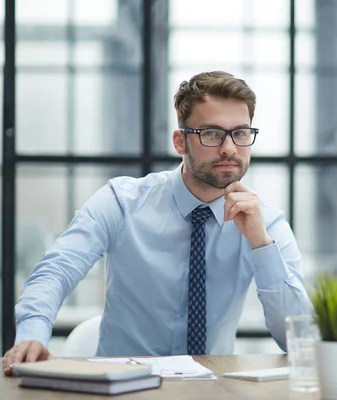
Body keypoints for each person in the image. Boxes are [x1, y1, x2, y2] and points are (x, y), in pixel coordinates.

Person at [3, 71, 313, 375]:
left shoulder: (266, 222)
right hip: (123, 389)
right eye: (212, 133)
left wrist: (261, 244)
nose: (229, 148)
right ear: (180, 142)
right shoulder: (122, 202)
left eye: (240, 133)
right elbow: (56, 270)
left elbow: (299, 340)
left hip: (212, 391)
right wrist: (32, 333)